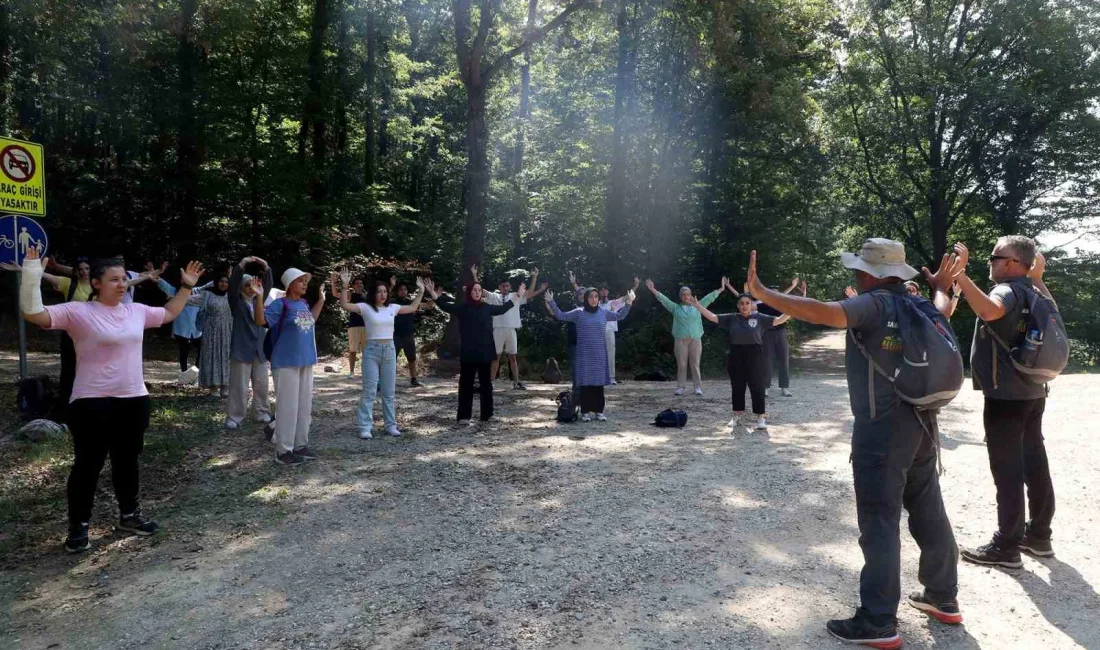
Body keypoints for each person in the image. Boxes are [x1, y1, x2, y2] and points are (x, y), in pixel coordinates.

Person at [744, 240, 962, 647]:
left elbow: (827, 313)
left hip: (882, 428)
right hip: (924, 421)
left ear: (871, 273)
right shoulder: (918, 304)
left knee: (879, 521)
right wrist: (944, 287)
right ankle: (942, 596)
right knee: (928, 508)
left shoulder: (874, 302)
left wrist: (762, 293)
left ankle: (878, 621)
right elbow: (944, 308)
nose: (854, 276)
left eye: (858, 269)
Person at [18, 248, 203, 553]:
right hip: (91, 402)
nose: (122, 284)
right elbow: (33, 313)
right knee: (88, 466)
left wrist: (186, 286)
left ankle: (129, 515)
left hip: (133, 399)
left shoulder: (137, 311)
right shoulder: (77, 311)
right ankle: (78, 527)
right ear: (95, 283)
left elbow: (170, 313)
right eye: (114, 279)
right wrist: (31, 274)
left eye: (124, 279)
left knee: (126, 460)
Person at [947, 237, 1058, 567]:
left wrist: (961, 275)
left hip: (1005, 394)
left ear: (1012, 263)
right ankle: (1039, 536)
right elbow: (1054, 312)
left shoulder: (1007, 290)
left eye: (995, 257)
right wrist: (1037, 276)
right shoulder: (1035, 291)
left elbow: (989, 310)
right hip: (1034, 390)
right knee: (1034, 461)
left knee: (1007, 468)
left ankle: (1006, 547)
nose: (991, 262)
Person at [334, 270, 427, 439]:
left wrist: (421, 291)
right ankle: (365, 427)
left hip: (389, 350)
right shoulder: (365, 307)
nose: (383, 294)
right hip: (371, 351)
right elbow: (345, 305)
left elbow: (413, 307)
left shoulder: (393, 308)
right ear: (373, 293)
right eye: (379, 291)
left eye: (385, 291)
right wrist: (345, 285)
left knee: (389, 392)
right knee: (369, 391)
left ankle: (390, 425)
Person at [1, 256, 95, 419]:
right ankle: (66, 410)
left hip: (93, 336)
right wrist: (20, 269)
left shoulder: (99, 286)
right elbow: (42, 275)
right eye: (80, 269)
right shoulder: (69, 284)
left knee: (91, 371)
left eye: (87, 269)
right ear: (75, 271)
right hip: (71, 335)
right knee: (69, 372)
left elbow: (124, 284)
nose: (84, 272)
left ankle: (89, 409)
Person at [255, 267, 326, 465]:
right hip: (285, 362)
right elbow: (261, 321)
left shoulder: (303, 303)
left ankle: (300, 446)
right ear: (289, 284)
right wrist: (260, 298)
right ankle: (283, 451)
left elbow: (310, 321)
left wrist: (321, 301)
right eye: (300, 280)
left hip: (306, 361)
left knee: (304, 407)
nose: (305, 284)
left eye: (305, 280)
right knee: (288, 407)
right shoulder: (280, 304)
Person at [426, 279, 522, 425]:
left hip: (485, 350)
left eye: (479, 290)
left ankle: (487, 415)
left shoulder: (486, 307)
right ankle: (464, 416)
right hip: (469, 351)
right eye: (474, 290)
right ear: (469, 292)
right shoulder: (463, 307)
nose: (477, 292)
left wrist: (518, 296)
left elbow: (503, 309)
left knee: (486, 384)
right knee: (466, 384)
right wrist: (433, 293)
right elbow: (445, 306)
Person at [692, 291, 789, 431]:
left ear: (752, 305)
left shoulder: (760, 318)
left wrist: (793, 310)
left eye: (747, 303)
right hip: (736, 354)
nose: (745, 306)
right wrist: (698, 306)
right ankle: (737, 415)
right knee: (737, 387)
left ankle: (761, 417)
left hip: (755, 354)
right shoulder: (732, 318)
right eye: (742, 303)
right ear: (738, 305)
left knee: (757, 386)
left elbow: (779, 320)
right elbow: (713, 317)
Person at [545, 287, 633, 420]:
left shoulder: (604, 312)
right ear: (586, 298)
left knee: (598, 385)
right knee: (585, 384)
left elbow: (620, 316)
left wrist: (629, 303)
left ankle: (599, 411)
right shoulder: (578, 313)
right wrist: (551, 302)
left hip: (599, 354)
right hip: (584, 355)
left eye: (596, 297)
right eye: (591, 297)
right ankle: (585, 412)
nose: (594, 299)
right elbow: (561, 315)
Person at [644, 277, 726, 395]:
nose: (686, 296)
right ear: (680, 296)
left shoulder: (698, 306)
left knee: (695, 363)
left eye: (688, 294)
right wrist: (652, 289)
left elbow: (709, 297)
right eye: (683, 294)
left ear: (691, 295)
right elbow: (664, 299)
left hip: (695, 338)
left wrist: (721, 289)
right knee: (681, 364)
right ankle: (680, 387)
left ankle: (697, 387)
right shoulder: (675, 308)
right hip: (680, 339)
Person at [226, 256, 274, 429]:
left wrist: (266, 266)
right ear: (241, 287)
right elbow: (232, 286)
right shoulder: (236, 302)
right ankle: (235, 416)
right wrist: (242, 264)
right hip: (241, 348)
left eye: (252, 284)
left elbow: (266, 286)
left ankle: (261, 412)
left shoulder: (258, 300)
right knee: (239, 385)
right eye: (246, 285)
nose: (250, 288)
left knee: (262, 384)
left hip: (259, 349)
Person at [483, 266, 548, 390]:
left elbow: (529, 293)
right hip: (498, 329)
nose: (505, 288)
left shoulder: (515, 296)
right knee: (496, 357)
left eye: (507, 286)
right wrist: (474, 276)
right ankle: (490, 382)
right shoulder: (493, 297)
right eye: (503, 286)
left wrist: (534, 277)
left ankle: (516, 382)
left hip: (511, 329)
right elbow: (481, 290)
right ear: (499, 287)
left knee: (512, 356)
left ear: (510, 287)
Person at [570, 272, 640, 385]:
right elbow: (583, 295)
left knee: (610, 354)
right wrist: (574, 284)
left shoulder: (614, 303)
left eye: (605, 290)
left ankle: (611, 377)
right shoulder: (594, 303)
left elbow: (627, 297)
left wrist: (635, 286)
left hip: (608, 331)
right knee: (596, 355)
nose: (603, 291)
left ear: (608, 292)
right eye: (601, 290)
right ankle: (598, 377)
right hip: (596, 333)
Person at [155, 270, 214, 381]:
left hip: (196, 329)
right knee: (184, 351)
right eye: (183, 278)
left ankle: (195, 371)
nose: (185, 280)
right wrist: (156, 275)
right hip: (181, 329)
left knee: (202, 349)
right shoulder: (175, 292)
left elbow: (210, 285)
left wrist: (227, 276)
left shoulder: (197, 291)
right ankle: (184, 373)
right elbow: (163, 284)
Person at [757, 278, 806, 398]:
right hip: (767, 334)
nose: (775, 294)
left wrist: (802, 294)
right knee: (766, 361)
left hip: (781, 333)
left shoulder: (783, 305)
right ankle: (765, 388)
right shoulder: (762, 305)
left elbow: (797, 303)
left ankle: (784, 388)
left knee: (784, 359)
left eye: (776, 292)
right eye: (772, 292)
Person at [196, 271, 234, 397]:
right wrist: (178, 298)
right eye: (221, 281)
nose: (223, 284)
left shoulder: (232, 296)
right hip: (211, 331)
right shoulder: (207, 294)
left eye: (226, 282)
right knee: (211, 356)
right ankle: (213, 387)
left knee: (226, 356)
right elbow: (193, 300)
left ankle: (226, 385)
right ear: (216, 282)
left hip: (227, 331)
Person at [390, 276, 430, 387]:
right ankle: (388, 381)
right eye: (401, 290)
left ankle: (414, 379)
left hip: (408, 335)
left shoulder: (411, 303)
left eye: (405, 289)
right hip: (396, 335)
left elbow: (427, 305)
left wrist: (434, 296)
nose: (403, 291)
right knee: (392, 359)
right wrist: (392, 286)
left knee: (412, 358)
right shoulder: (393, 303)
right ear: (397, 292)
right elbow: (383, 300)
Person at [346, 277, 367, 375]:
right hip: (353, 325)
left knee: (366, 351)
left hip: (366, 326)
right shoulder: (350, 295)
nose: (359, 285)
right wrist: (333, 282)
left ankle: (365, 371)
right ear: (353, 286)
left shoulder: (367, 296)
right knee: (353, 350)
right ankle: (351, 371)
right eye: (357, 283)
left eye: (361, 283)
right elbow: (335, 294)